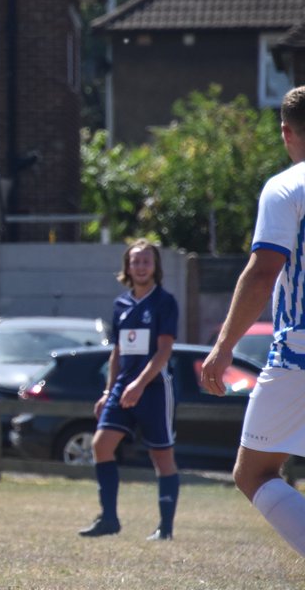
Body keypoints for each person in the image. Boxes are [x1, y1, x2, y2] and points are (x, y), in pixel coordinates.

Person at [202, 84, 305, 557]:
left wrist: (223, 348)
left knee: (254, 472)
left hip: (299, 354)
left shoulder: (287, 187)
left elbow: (264, 271)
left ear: (287, 132)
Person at [79, 239, 180, 540]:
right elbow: (117, 352)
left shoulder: (165, 301)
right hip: (123, 387)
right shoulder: (121, 305)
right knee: (101, 445)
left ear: (155, 266)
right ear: (127, 267)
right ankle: (109, 519)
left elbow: (164, 351)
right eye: (135, 261)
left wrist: (139, 384)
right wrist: (109, 390)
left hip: (154, 389)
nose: (140, 266)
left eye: (146, 261)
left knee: (162, 458)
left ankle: (165, 529)